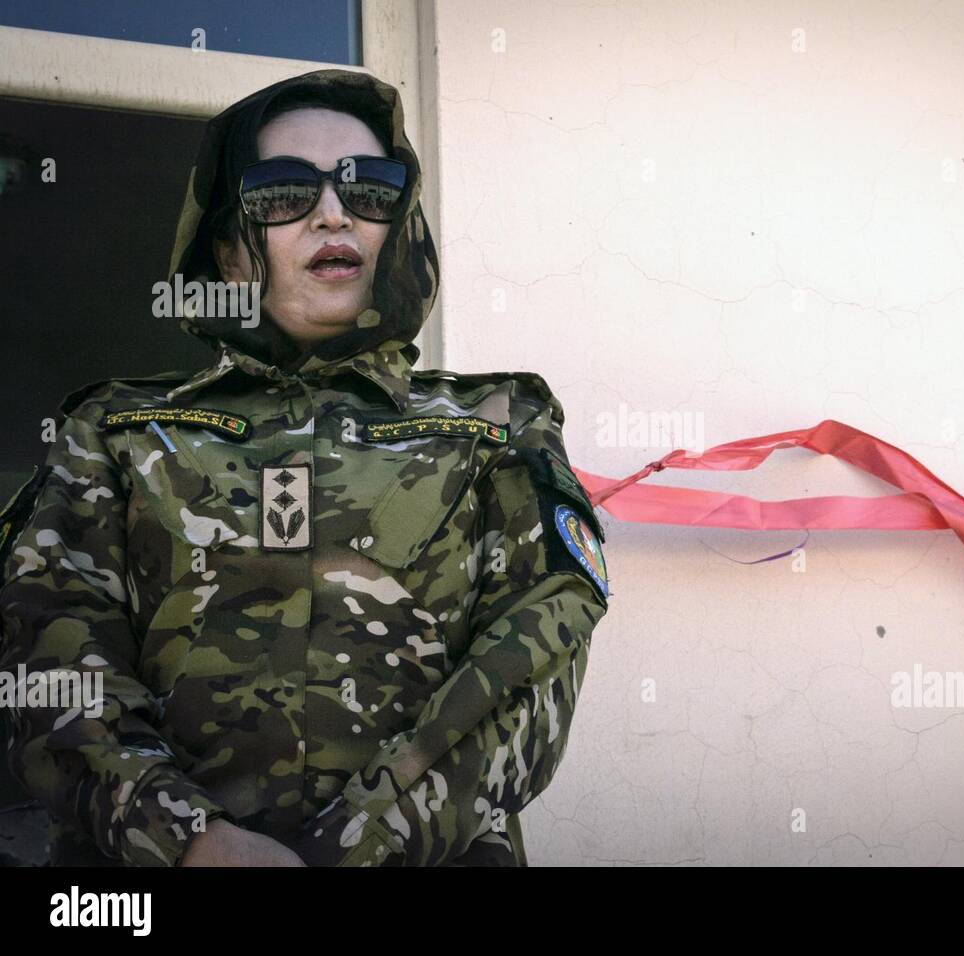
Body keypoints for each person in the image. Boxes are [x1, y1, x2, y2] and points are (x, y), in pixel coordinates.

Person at [0, 68, 611, 867]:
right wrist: (189, 841)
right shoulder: (113, 432)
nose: (333, 213)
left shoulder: (497, 426)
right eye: (283, 192)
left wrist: (356, 850)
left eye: (370, 188)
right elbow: (50, 659)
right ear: (226, 248)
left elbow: (532, 666)